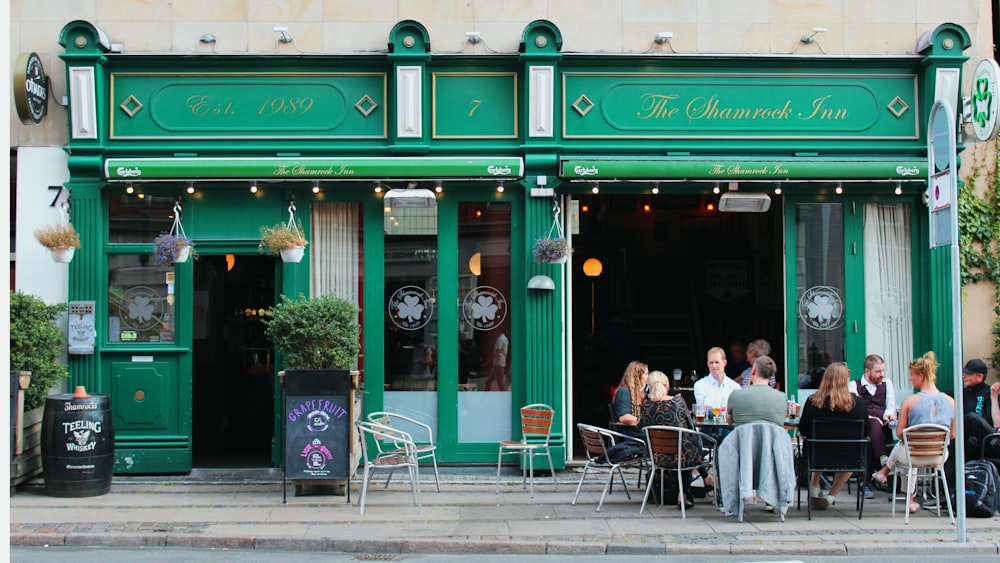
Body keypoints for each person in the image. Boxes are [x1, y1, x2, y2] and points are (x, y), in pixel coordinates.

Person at [872, 351, 956, 514]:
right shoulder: (951, 401)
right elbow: (952, 435)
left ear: (922, 376)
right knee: (909, 450)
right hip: (939, 456)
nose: (910, 379)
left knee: (904, 448)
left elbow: (900, 434)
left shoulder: (910, 401)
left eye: (912, 375)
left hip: (912, 455)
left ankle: (898, 486)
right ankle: (897, 486)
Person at [798, 362, 871, 510]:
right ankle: (831, 495)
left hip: (817, 456)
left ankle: (814, 484)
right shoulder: (858, 403)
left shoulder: (813, 401)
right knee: (850, 449)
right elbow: (867, 431)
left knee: (820, 444)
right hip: (849, 457)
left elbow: (803, 429)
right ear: (846, 380)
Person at [638, 370, 702, 509]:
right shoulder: (678, 402)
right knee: (688, 444)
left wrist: (643, 398)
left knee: (682, 447)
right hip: (681, 456)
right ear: (667, 385)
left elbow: (640, 426)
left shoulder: (646, 406)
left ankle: (689, 489)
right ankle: (685, 493)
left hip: (657, 457)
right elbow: (690, 427)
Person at [847, 354, 897, 488]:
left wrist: (888, 415)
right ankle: (883, 459)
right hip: (862, 427)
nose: (882, 374)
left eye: (883, 371)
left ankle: (865, 482)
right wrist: (871, 418)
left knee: (869, 442)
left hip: (883, 427)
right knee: (872, 425)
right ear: (867, 371)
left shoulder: (887, 384)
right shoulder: (854, 385)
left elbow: (890, 407)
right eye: (878, 371)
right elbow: (854, 410)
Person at [726, 355, 787, 427]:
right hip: (773, 438)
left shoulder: (736, 395)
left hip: (745, 437)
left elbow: (729, 421)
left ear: (754, 371)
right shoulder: (782, 398)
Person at [962, 358, 995, 460]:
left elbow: (990, 421)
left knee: (972, 417)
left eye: (968, 374)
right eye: (964, 373)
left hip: (986, 438)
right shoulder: (962, 393)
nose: (964, 376)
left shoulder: (989, 393)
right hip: (966, 438)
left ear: (980, 377)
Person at [694, 347, 741, 412]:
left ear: (724, 362)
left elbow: (737, 411)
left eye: (717, 362)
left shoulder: (735, 387)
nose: (714, 365)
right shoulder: (700, 385)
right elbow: (703, 409)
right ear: (707, 364)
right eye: (711, 362)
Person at [612, 361, 649, 439]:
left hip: (636, 431)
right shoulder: (624, 391)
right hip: (629, 433)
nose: (647, 377)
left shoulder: (638, 393)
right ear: (637, 375)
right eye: (646, 374)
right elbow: (624, 417)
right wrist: (645, 422)